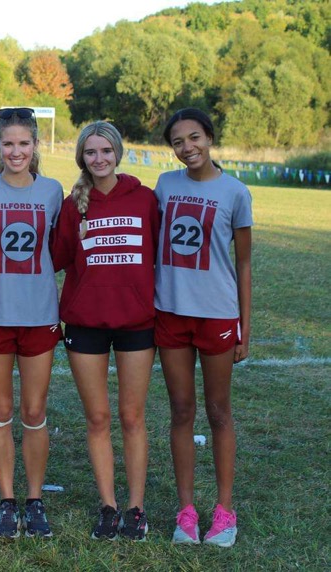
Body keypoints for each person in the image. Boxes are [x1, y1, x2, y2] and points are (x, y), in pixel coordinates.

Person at [51, 121, 160, 541]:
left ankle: (136, 507)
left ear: (118, 152)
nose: (99, 159)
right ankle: (108, 507)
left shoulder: (145, 199)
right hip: (86, 323)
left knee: (132, 417)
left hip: (136, 323)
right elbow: (59, 259)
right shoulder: (72, 204)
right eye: (91, 152)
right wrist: (75, 236)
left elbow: (155, 252)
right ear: (82, 157)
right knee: (97, 418)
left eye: (106, 151)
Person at [155, 108, 251, 548]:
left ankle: (225, 512)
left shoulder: (236, 192)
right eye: (178, 142)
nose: (187, 147)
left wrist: (243, 326)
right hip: (171, 312)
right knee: (181, 410)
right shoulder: (164, 186)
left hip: (217, 314)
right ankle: (187, 511)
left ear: (210, 138)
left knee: (218, 411)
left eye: (194, 138)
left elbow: (244, 263)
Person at [0, 107, 63, 540]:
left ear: (36, 146)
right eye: (9, 144)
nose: (16, 151)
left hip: (40, 315)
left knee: (34, 411)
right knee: (1, 410)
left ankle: (34, 499)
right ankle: (7, 501)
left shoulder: (52, 191)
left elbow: (59, 251)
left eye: (24, 144)